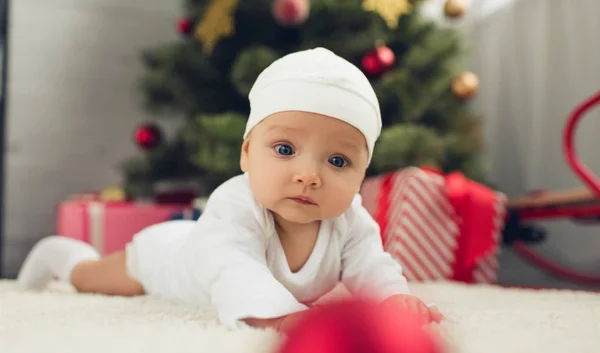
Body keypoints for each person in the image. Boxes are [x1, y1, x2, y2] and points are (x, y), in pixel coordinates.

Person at [17, 47, 444, 332]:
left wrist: (394, 300)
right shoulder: (237, 204)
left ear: (362, 172)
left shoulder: (349, 219)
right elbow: (233, 269)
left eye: (338, 161)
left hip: (194, 246)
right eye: (284, 149)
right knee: (94, 280)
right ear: (246, 154)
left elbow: (373, 264)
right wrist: (281, 318)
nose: (309, 175)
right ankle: (64, 256)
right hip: (168, 259)